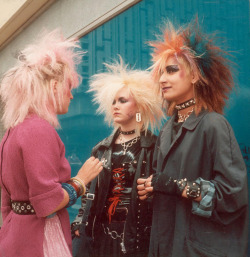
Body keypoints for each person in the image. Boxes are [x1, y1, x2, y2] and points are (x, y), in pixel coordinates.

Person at [137, 20, 248, 257]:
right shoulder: (167, 129)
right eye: (160, 72)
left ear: (195, 75)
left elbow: (232, 197)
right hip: (164, 246)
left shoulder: (214, 125)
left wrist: (177, 186)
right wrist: (152, 188)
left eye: (171, 70)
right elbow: (164, 186)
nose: (162, 79)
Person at [0, 30, 103, 257]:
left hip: (15, 237)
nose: (71, 95)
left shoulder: (13, 130)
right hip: (41, 240)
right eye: (69, 87)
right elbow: (48, 204)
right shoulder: (38, 129)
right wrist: (81, 180)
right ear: (55, 86)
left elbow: (6, 204)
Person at [71, 59, 163, 257]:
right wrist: (79, 221)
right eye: (113, 101)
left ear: (139, 106)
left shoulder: (154, 146)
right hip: (103, 238)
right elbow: (90, 191)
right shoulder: (102, 148)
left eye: (122, 101)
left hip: (139, 239)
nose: (115, 106)